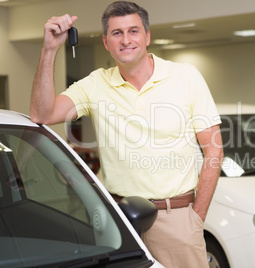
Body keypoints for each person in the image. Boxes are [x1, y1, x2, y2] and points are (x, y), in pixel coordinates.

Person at [30, 1, 223, 268]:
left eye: (133, 31)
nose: (126, 40)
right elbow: (42, 115)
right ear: (106, 42)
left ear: (147, 36)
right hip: (117, 220)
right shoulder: (95, 83)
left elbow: (214, 150)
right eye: (117, 33)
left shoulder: (186, 77)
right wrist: (49, 50)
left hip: (175, 218)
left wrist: (196, 218)